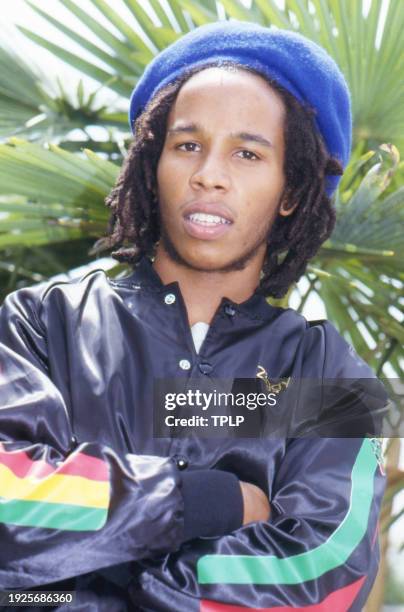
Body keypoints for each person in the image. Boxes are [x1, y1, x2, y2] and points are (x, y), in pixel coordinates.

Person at [0, 20, 387, 612]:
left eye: (248, 152)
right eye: (187, 145)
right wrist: (206, 502)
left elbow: (328, 572)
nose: (210, 173)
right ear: (154, 170)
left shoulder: (327, 374)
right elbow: (9, 506)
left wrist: (122, 589)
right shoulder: (37, 325)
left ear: (290, 191)